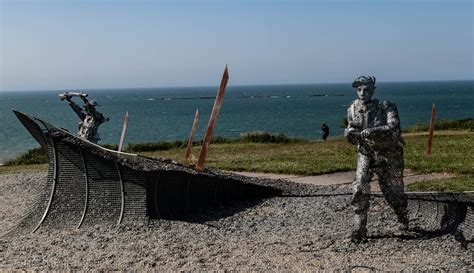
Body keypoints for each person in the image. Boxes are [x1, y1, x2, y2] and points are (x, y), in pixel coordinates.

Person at [344, 76, 409, 243]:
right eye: (359, 89)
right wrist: (349, 134)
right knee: (360, 185)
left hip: (389, 154)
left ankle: (402, 219)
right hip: (366, 153)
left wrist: (374, 131)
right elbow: (352, 131)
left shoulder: (386, 106)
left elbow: (394, 129)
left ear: (373, 90)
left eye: (366, 89)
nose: (362, 93)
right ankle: (360, 227)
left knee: (392, 191)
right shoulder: (352, 108)